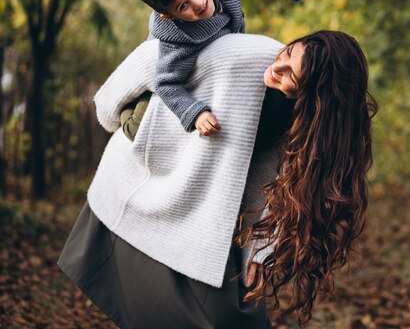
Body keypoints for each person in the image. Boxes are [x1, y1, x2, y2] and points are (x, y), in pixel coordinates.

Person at [58, 30, 376, 329]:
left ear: (316, 96)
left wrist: (260, 250)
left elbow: (267, 176)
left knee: (236, 317)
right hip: (147, 178)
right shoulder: (244, 54)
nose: (277, 67)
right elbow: (157, 52)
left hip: (204, 206)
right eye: (288, 52)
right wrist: (110, 108)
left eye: (292, 75)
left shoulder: (298, 116)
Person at [132, 0, 316, 138]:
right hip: (153, 81)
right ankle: (127, 115)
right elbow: (166, 84)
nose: (198, 3)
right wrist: (195, 113)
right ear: (171, 16)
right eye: (183, 6)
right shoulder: (176, 42)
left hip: (218, 60)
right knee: (136, 126)